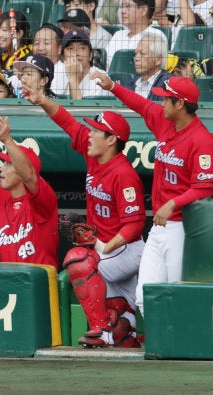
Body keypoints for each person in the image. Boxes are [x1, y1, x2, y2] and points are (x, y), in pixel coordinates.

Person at [25, 82, 146, 348]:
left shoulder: (124, 174)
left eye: (97, 131)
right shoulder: (94, 157)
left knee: (78, 258)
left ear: (112, 139)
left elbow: (135, 224)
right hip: (106, 251)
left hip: (126, 250)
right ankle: (118, 327)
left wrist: (102, 246)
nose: (90, 134)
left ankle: (100, 330)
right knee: (121, 332)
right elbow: (68, 123)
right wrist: (42, 99)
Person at [91, 73, 213, 317]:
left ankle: (182, 348)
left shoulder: (202, 140)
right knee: (145, 295)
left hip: (183, 228)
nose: (161, 103)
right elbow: (142, 105)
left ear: (180, 104)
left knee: (179, 292)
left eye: (166, 99)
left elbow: (206, 187)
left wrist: (173, 203)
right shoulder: (166, 122)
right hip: (159, 227)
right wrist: (114, 86)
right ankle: (163, 346)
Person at [0, 115, 59, 278]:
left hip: (41, 284)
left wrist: (8, 140)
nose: (2, 169)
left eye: (9, 164)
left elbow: (29, 175)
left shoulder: (43, 201)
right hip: (12, 284)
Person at [51, 29, 112, 99]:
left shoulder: (100, 78)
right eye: (70, 48)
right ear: (63, 57)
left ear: (91, 55)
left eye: (82, 48)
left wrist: (73, 78)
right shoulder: (56, 73)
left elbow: (82, 109)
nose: (76, 53)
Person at [104, 0, 160, 69]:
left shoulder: (155, 36)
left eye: (128, 6)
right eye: (122, 6)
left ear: (143, 10)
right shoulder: (118, 35)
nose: (122, 11)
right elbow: (104, 65)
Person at [124, 31, 171, 100]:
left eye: (142, 54)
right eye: (135, 53)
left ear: (158, 59)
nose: (136, 58)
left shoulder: (168, 84)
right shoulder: (131, 84)